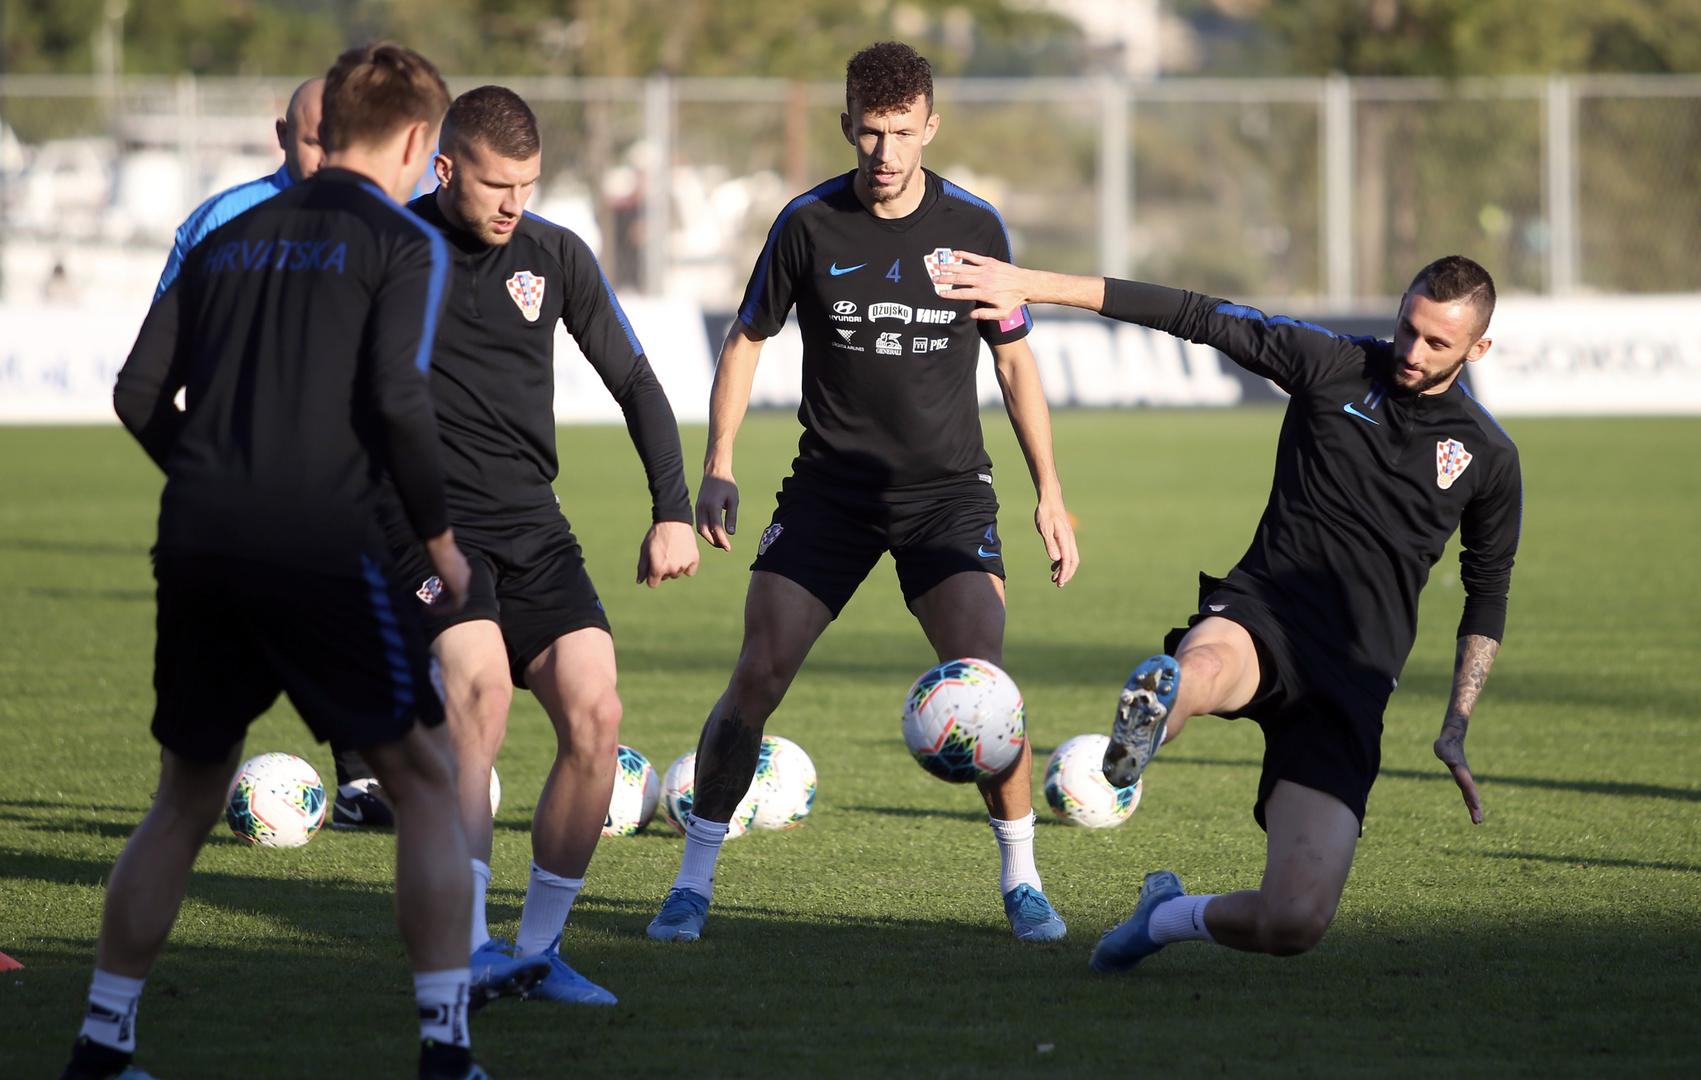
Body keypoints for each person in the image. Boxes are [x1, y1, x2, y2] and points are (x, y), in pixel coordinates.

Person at [62, 44, 547, 1080]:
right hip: (320, 545)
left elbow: (136, 394)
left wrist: (210, 474)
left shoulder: (228, 236)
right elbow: (398, 406)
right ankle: (445, 1046)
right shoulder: (398, 243)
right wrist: (441, 545)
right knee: (423, 780)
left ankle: (103, 1041)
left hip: (197, 539)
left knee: (184, 795)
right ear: (420, 141)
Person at [936, 251, 1521, 971]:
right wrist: (1033, 285)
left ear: (1477, 348)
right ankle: (1145, 731)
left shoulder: (1488, 455)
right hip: (1265, 611)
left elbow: (1486, 589)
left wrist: (1456, 723)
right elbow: (1195, 315)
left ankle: (1165, 916)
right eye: (1407, 328)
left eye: (1437, 343)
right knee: (1202, 669)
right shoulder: (1330, 362)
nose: (1411, 351)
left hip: (1354, 676)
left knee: (1294, 922)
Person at [647, 41, 1081, 946]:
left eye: (900, 133)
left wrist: (1050, 491)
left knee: (987, 689)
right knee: (757, 676)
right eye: (868, 133)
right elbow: (745, 338)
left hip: (947, 498)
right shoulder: (808, 225)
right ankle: (692, 882)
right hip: (829, 497)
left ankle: (1023, 880)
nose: (883, 153)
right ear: (846, 126)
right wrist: (719, 462)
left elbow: (1012, 360)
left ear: (930, 125)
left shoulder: (975, 227)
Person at [383, 85, 698, 1005]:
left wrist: (669, 508)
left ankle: (537, 951)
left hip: (534, 528)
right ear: (445, 169)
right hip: (430, 533)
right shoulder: (395, 255)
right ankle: (469, 946)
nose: (514, 204)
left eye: (527, 184)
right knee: (478, 694)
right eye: (495, 186)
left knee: (596, 716)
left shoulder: (556, 254)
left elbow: (635, 379)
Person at [151, 74, 390, 832]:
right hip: (264, 507)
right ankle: (465, 943)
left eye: (339, 136)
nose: (326, 153)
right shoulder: (221, 223)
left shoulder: (383, 227)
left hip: (334, 490)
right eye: (314, 136)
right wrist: (207, 465)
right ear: (281, 135)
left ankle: (360, 784)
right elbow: (149, 382)